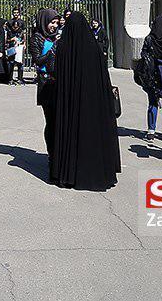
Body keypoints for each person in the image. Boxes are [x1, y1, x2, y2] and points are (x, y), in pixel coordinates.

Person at [49, 12, 120, 191]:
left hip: (70, 104)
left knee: (71, 134)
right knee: (92, 136)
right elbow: (104, 77)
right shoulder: (94, 48)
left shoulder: (63, 48)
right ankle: (97, 172)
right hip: (93, 104)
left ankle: (70, 172)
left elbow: (57, 76)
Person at [29, 9, 59, 165]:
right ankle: (51, 153)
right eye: (52, 22)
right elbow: (38, 61)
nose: (54, 26)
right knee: (51, 121)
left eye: (56, 23)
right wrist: (52, 50)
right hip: (45, 82)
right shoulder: (36, 38)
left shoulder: (57, 37)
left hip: (58, 81)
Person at [6, 10, 26, 85]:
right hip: (11, 46)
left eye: (17, 13)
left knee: (20, 63)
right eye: (14, 13)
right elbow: (6, 38)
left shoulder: (22, 23)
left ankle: (20, 78)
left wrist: (24, 43)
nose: (16, 27)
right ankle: (10, 79)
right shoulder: (9, 23)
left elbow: (24, 34)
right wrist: (11, 39)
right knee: (11, 63)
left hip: (19, 46)